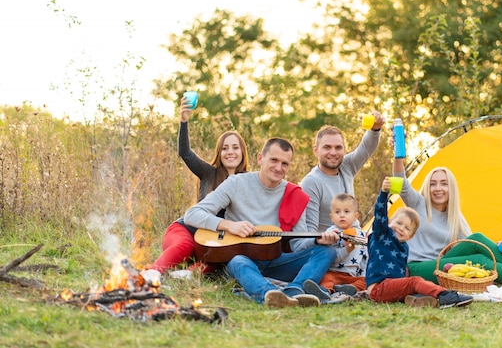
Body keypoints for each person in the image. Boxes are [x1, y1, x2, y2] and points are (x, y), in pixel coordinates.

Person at [183, 137, 339, 308]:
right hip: (242, 259)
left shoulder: (295, 194)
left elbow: (297, 244)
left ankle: (293, 291)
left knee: (327, 252)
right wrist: (229, 225)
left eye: (285, 164)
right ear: (260, 158)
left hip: (275, 259)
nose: (279, 168)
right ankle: (268, 294)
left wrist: (317, 240)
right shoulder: (236, 183)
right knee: (237, 262)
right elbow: (192, 214)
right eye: (274, 160)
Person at [393, 160, 502, 298]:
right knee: (476, 259)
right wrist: (399, 154)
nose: (438, 188)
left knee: (476, 238)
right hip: (417, 267)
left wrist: (501, 246)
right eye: (433, 183)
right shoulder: (418, 203)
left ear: (451, 188)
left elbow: (478, 245)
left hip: (443, 262)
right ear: (428, 187)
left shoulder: (454, 217)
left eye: (443, 184)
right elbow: (400, 179)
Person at [141, 96, 249, 283]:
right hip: (186, 230)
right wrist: (184, 119)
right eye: (225, 148)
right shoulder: (209, 173)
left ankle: (188, 275)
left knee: (225, 253)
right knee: (186, 245)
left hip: (213, 241)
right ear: (219, 153)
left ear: (242, 152)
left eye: (235, 147)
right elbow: (185, 153)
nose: (230, 152)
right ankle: (153, 272)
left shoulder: (249, 182)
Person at [364, 177, 473, 308]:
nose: (400, 228)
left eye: (407, 228)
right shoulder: (381, 234)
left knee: (413, 283)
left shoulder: (404, 247)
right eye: (398, 223)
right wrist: (384, 193)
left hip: (393, 287)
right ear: (389, 222)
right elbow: (380, 214)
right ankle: (445, 296)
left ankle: (420, 299)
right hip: (379, 288)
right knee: (414, 282)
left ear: (411, 236)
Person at [301, 112, 385, 233]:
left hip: (355, 239)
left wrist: (375, 129)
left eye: (338, 147)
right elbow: (311, 231)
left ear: (344, 149)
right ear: (316, 150)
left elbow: (366, 148)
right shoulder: (311, 182)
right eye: (327, 147)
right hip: (332, 246)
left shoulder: (346, 166)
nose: (333, 152)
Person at [302, 193, 368, 303]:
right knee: (326, 278)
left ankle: (348, 289)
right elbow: (331, 256)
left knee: (366, 281)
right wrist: (348, 249)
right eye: (337, 212)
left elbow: (364, 258)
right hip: (334, 272)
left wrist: (363, 275)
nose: (342, 215)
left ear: (355, 216)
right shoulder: (331, 233)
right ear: (332, 217)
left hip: (351, 275)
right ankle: (324, 291)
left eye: (346, 212)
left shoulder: (361, 235)